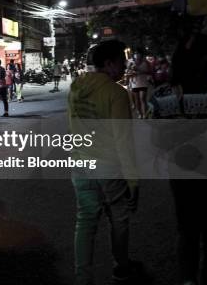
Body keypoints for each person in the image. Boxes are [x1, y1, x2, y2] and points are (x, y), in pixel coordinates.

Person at [68, 39, 139, 285]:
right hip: (109, 166)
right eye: (121, 61)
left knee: (85, 222)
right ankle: (121, 267)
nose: (124, 66)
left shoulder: (76, 87)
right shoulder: (116, 93)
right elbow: (123, 140)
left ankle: (82, 276)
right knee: (118, 219)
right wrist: (133, 179)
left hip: (80, 164)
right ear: (108, 64)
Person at [168, 18, 207, 285]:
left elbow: (157, 137)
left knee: (187, 230)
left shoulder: (167, 95)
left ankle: (188, 280)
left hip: (181, 169)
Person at [127, 50, 151, 118]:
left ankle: (144, 114)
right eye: (136, 55)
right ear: (134, 56)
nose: (137, 56)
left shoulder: (145, 63)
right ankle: (140, 113)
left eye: (138, 55)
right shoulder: (132, 63)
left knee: (142, 98)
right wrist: (130, 70)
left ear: (141, 56)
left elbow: (148, 71)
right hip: (135, 84)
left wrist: (138, 70)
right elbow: (128, 72)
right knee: (137, 100)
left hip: (143, 83)